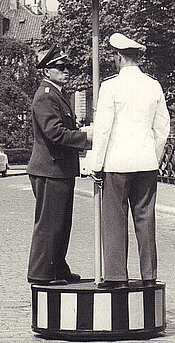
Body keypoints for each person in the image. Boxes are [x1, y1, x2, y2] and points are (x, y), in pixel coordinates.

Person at [90, 33, 170, 289]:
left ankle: (116, 277)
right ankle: (149, 276)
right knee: (146, 219)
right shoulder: (153, 85)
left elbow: (103, 129)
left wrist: (96, 164)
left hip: (116, 164)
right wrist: (153, 156)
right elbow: (163, 128)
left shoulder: (111, 86)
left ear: (120, 57)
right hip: (146, 163)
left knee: (115, 220)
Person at [27, 45, 93, 285]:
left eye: (68, 67)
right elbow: (55, 133)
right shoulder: (45, 95)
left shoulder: (55, 94)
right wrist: (86, 138)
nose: (66, 71)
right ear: (47, 70)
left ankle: (57, 268)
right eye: (60, 67)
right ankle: (42, 274)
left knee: (61, 223)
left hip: (58, 169)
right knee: (50, 224)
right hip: (50, 170)